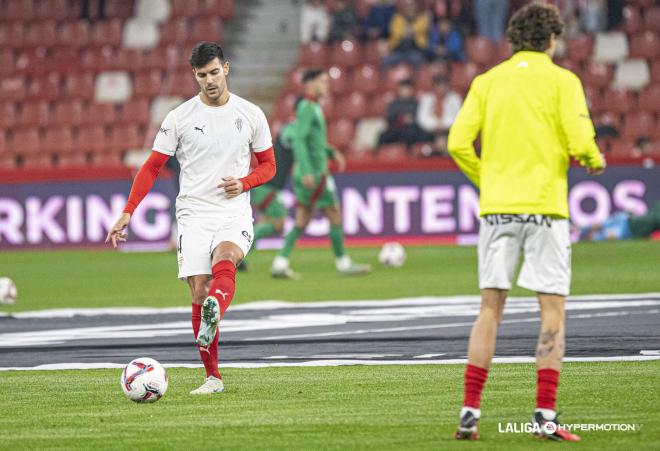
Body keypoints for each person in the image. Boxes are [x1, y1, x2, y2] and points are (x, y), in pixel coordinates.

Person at [447, 4, 605, 441]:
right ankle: (544, 417)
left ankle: (469, 413)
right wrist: (594, 159)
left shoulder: (487, 81)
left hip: (497, 209)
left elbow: (457, 142)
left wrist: (490, 180)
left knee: (489, 309)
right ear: (551, 40)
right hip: (546, 209)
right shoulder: (563, 81)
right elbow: (578, 139)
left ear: (513, 39)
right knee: (551, 310)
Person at [105, 42, 276, 395]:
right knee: (199, 291)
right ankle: (213, 377)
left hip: (233, 211)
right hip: (193, 214)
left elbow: (269, 166)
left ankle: (216, 306)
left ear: (225, 68)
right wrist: (127, 212)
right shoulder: (179, 118)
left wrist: (243, 183)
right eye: (202, 75)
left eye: (214, 72)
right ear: (194, 76)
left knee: (226, 259)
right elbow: (152, 166)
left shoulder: (251, 114)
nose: (210, 80)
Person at [271, 68, 369, 279]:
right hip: (314, 173)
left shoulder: (311, 107)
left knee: (302, 220)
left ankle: (280, 262)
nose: (327, 85)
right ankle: (343, 263)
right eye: (323, 82)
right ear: (310, 84)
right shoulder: (307, 108)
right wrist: (307, 170)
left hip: (311, 172)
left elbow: (312, 141)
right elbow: (299, 140)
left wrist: (330, 151)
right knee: (333, 212)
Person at [246, 120, 298, 265]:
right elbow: (288, 138)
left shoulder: (286, 135)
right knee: (278, 224)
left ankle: (242, 255)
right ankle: (241, 248)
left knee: (265, 222)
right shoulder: (289, 130)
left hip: (264, 186)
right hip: (267, 187)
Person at [378, 79, 431, 149]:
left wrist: (412, 120)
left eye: (408, 89)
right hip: (397, 130)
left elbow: (421, 120)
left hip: (413, 130)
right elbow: (389, 119)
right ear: (399, 90)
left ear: (412, 90)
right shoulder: (394, 104)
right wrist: (402, 119)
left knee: (424, 135)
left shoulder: (417, 104)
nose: (405, 92)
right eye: (403, 89)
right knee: (383, 136)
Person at [416, 75, 463, 154]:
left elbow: (458, 116)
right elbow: (422, 118)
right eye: (439, 85)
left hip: (449, 129)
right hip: (430, 131)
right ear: (434, 86)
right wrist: (435, 124)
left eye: (443, 85)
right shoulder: (427, 98)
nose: (441, 88)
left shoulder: (455, 98)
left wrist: (443, 124)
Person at [382, 0, 430, 68]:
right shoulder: (397, 18)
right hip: (398, 50)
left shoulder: (421, 18)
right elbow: (395, 32)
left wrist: (407, 31)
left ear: (416, 8)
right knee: (386, 62)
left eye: (412, 7)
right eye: (408, 7)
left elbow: (422, 28)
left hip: (414, 50)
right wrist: (410, 32)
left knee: (418, 61)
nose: (410, 9)